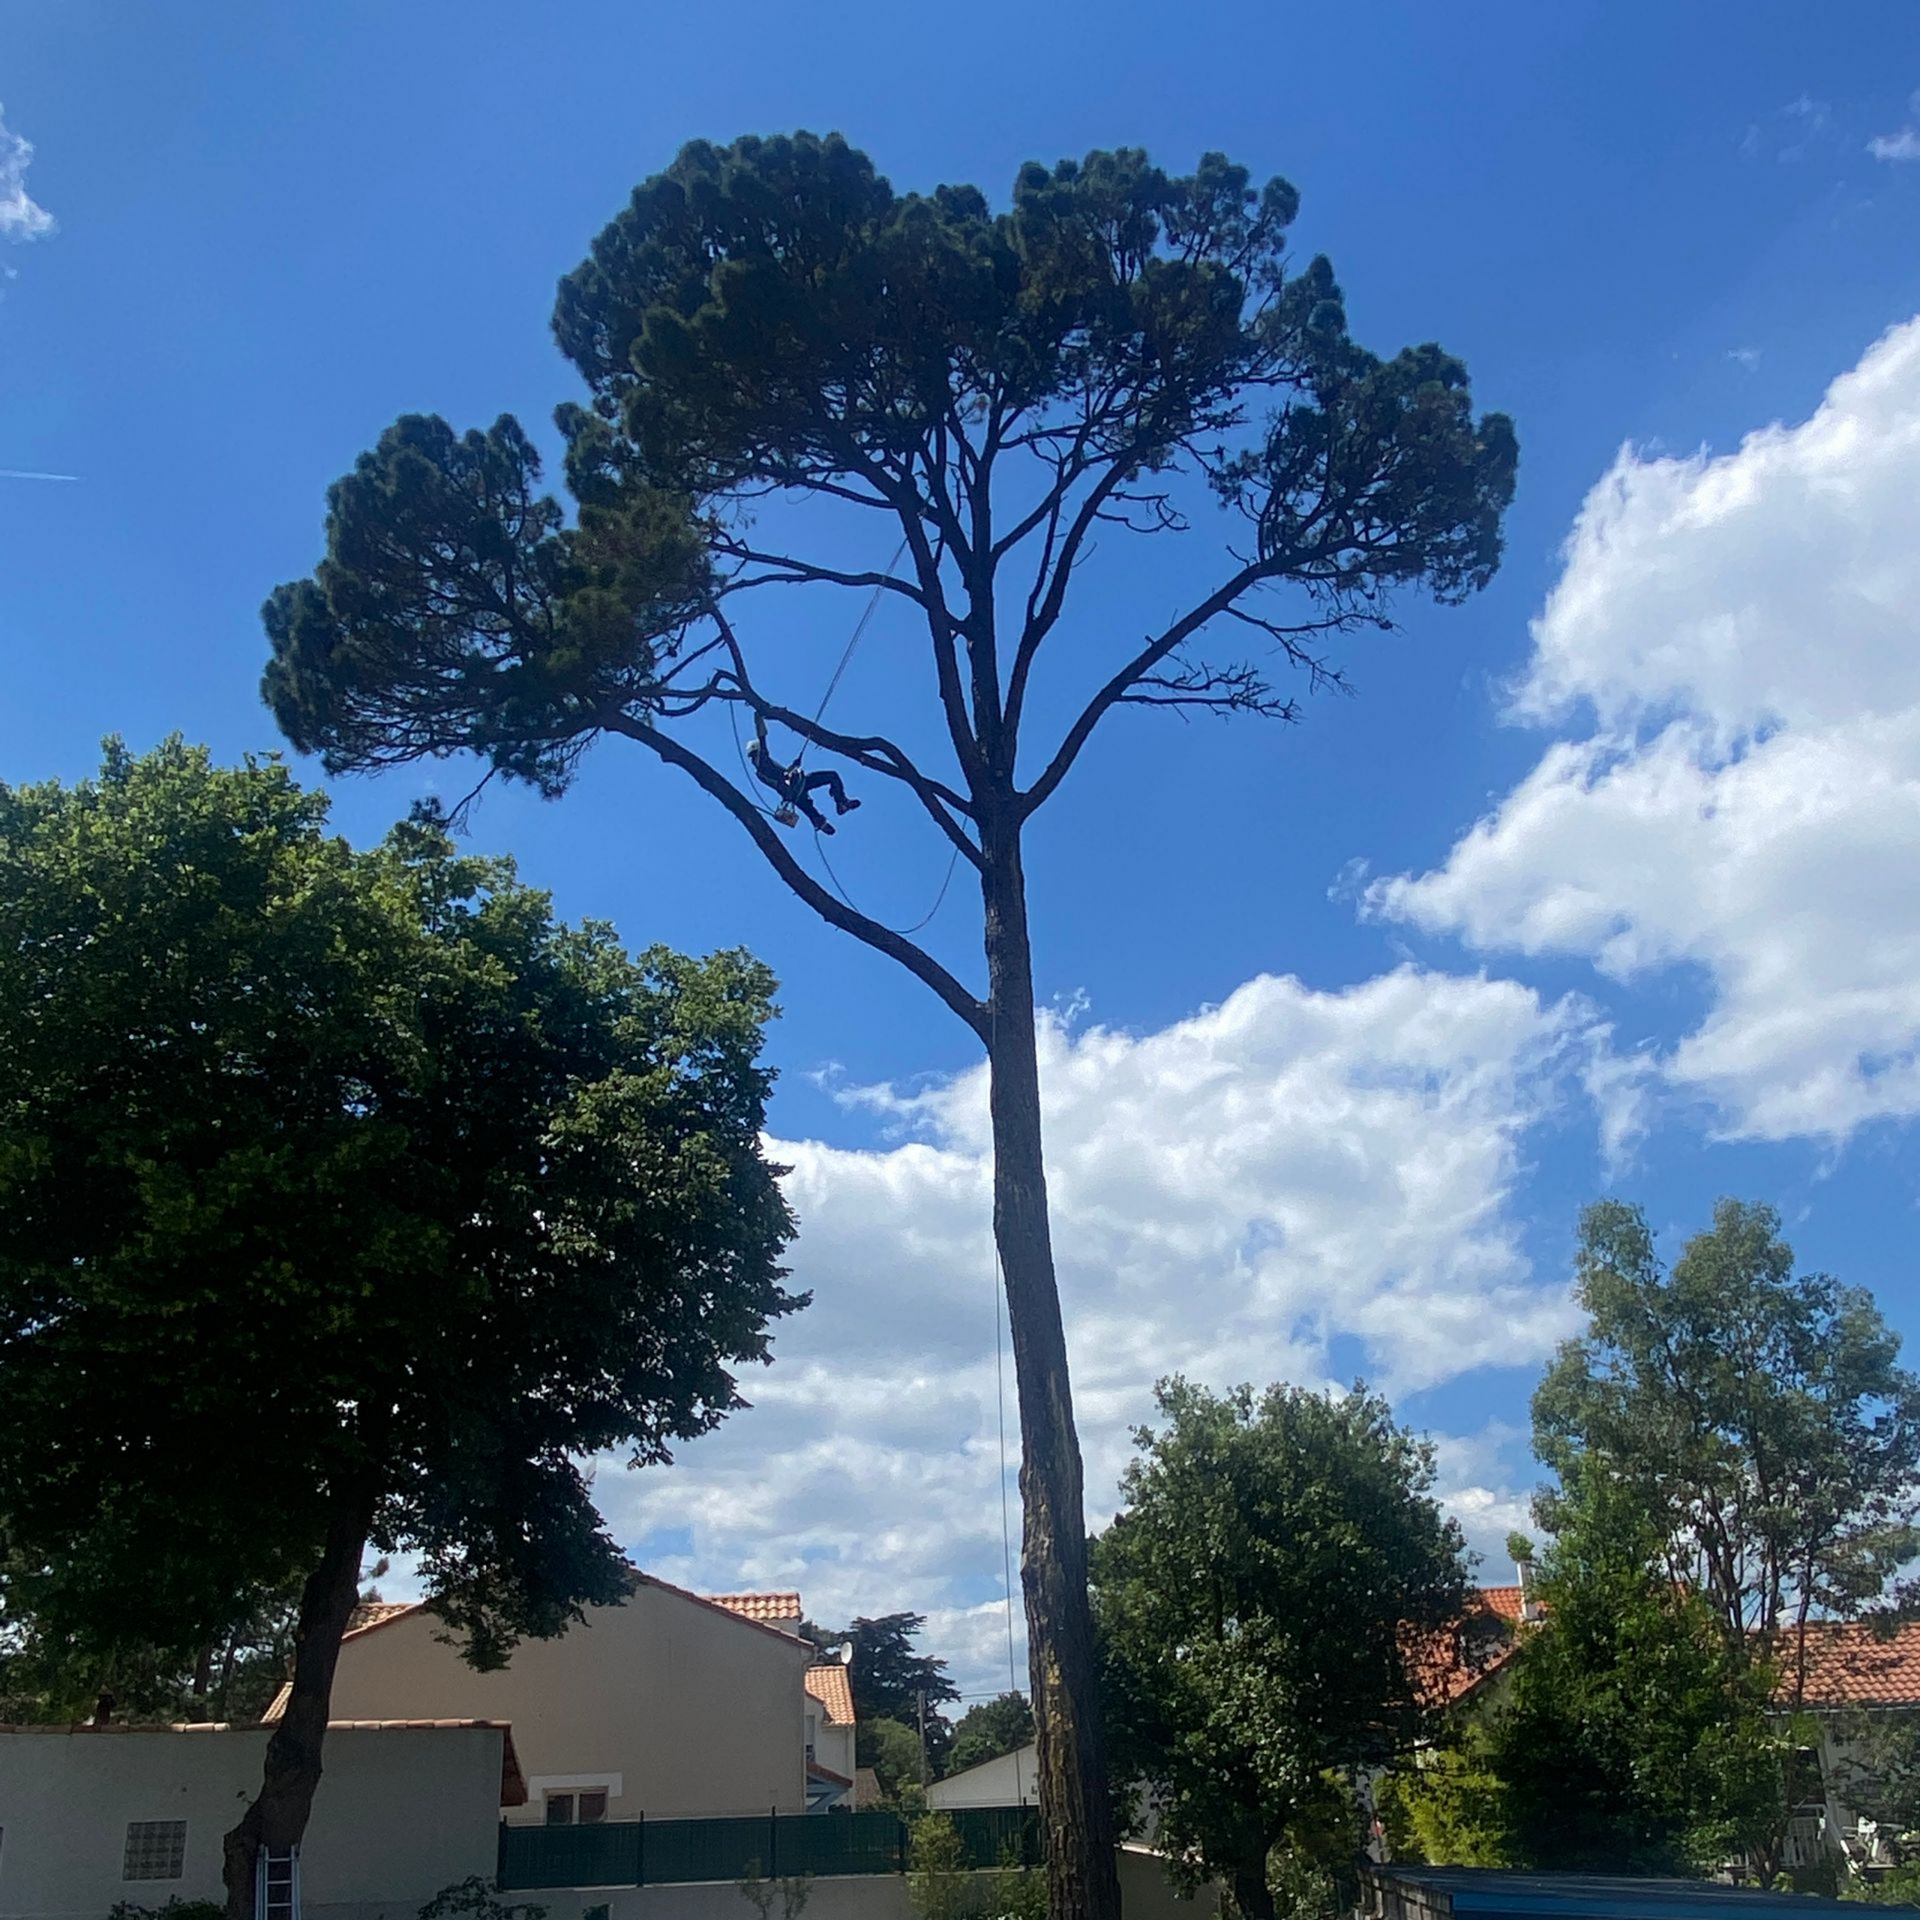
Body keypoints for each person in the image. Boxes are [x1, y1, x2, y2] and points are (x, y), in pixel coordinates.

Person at [748, 718, 862, 833]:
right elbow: (762, 737)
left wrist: (793, 767)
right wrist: (758, 718)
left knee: (810, 809)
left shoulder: (760, 773)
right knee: (832, 776)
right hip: (796, 785)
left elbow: (780, 779)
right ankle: (841, 801)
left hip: (793, 792)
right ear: (757, 751)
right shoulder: (763, 761)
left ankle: (830, 814)